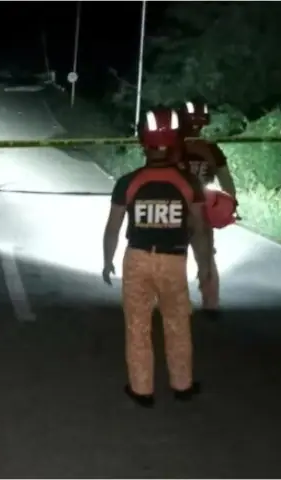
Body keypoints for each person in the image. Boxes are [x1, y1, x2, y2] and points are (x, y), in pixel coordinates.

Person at [102, 107, 214, 407]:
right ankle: (182, 385)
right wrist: (205, 267)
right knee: (177, 323)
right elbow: (200, 229)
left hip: (137, 260)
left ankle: (142, 390)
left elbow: (113, 228)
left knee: (137, 326)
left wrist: (107, 260)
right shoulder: (188, 182)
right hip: (174, 261)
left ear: (143, 142)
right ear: (176, 140)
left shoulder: (128, 182)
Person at [177, 100, 238, 317]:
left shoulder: (171, 146)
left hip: (177, 208)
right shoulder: (211, 149)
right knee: (206, 257)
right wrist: (231, 205)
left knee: (173, 255)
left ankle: (175, 303)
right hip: (202, 208)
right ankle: (211, 303)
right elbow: (227, 183)